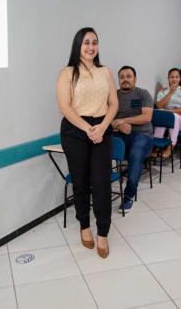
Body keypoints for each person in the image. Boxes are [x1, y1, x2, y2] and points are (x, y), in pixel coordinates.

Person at [57, 27, 118, 259]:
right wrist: (88, 128)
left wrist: (102, 127)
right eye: (86, 43)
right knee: (81, 181)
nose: (91, 47)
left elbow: (113, 103)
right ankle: (84, 225)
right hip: (75, 130)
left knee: (102, 182)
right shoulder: (67, 72)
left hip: (102, 128)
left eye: (94, 42)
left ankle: (103, 232)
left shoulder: (105, 72)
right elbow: (65, 107)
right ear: (78, 46)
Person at [112, 66, 153, 213]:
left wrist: (122, 121)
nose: (125, 79)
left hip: (142, 135)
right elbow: (107, 119)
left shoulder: (143, 94)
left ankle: (128, 195)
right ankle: (98, 189)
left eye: (128, 76)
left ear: (135, 78)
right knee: (99, 145)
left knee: (136, 154)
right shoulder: (113, 96)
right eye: (121, 77)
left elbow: (146, 117)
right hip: (119, 134)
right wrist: (117, 125)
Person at [153, 68, 181, 159]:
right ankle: (155, 147)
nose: (174, 79)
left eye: (177, 77)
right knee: (161, 116)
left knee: (172, 116)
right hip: (167, 118)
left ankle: (170, 148)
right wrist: (170, 92)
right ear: (168, 78)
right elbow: (159, 106)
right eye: (172, 77)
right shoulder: (162, 91)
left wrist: (169, 112)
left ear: (180, 78)